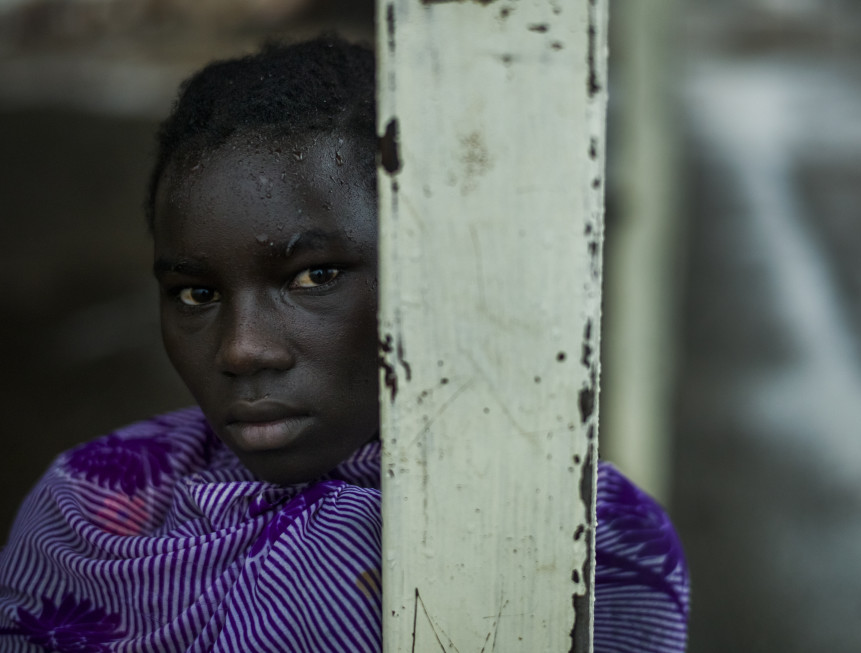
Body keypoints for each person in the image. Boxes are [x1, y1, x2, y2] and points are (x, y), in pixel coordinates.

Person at [0, 36, 689, 652]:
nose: (241, 349)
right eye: (196, 293)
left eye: (314, 276)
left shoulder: (563, 531)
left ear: (419, 272)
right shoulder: (82, 509)